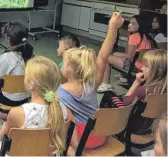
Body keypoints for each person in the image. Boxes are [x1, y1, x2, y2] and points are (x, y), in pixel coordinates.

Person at [0, 56, 72, 156]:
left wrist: (7, 123)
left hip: (16, 153)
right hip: (44, 153)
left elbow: (1, 137)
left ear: (31, 84)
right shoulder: (63, 109)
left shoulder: (18, 112)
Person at [58, 12, 124, 152]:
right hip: (100, 133)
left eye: (63, 64)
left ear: (69, 70)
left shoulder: (60, 92)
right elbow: (102, 57)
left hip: (81, 139)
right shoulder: (91, 83)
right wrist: (113, 28)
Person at [100, 49, 167, 134]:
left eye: (146, 66)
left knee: (108, 94)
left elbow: (125, 102)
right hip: (149, 127)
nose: (142, 68)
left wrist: (136, 83)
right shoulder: (164, 89)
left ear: (157, 71)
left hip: (132, 126)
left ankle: (103, 126)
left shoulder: (143, 90)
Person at [98, 15, 157, 92]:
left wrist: (120, 58)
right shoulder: (147, 37)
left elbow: (129, 57)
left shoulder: (134, 36)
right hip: (145, 66)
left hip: (135, 67)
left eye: (133, 23)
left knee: (107, 58)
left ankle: (106, 85)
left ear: (140, 25)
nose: (129, 25)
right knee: (115, 53)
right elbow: (133, 54)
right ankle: (124, 78)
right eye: (130, 23)